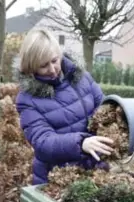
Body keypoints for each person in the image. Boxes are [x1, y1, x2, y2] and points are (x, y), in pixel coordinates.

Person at [15, 29, 114, 185]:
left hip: (95, 170)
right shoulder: (27, 99)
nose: (52, 69)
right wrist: (81, 143)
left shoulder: (82, 78)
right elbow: (43, 141)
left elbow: (106, 109)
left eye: (54, 61)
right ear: (31, 67)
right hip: (57, 179)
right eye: (43, 65)